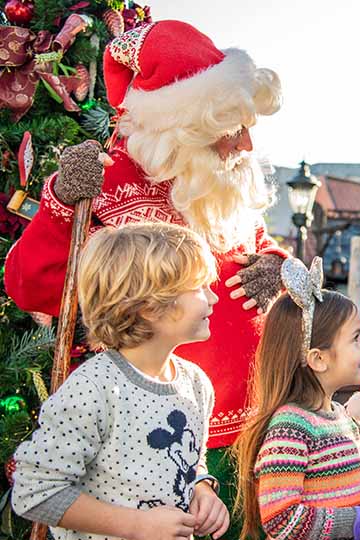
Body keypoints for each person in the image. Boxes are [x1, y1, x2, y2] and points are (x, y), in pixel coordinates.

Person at [3, 20, 286, 537]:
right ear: (186, 125)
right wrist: (63, 203)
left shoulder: (221, 183)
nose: (246, 143)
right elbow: (32, 286)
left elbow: (260, 250)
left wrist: (277, 269)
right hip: (142, 435)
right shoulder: (106, 179)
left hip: (244, 427)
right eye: (232, 127)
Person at [12, 222, 229, 540]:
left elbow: (188, 460)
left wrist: (201, 488)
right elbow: (34, 491)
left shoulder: (196, 384)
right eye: (200, 288)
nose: (213, 298)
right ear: (149, 307)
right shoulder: (94, 389)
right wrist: (136, 525)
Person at [233, 256, 360, 540]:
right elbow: (281, 521)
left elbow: (342, 494)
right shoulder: (291, 426)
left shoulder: (341, 417)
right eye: (355, 339)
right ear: (318, 358)